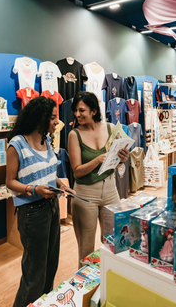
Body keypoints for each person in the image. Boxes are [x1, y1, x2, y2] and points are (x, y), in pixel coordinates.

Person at [6, 97, 75, 307]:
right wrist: (34, 189)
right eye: (53, 118)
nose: (57, 122)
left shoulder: (46, 140)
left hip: (51, 207)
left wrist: (60, 184)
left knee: (51, 264)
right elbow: (9, 182)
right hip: (32, 212)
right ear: (40, 118)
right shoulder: (17, 144)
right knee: (34, 272)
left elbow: (46, 171)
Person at [68, 91, 130, 264]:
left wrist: (122, 159)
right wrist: (97, 159)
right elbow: (77, 171)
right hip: (85, 195)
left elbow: (114, 163)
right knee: (86, 250)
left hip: (111, 190)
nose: (77, 114)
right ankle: (86, 288)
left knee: (114, 242)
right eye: (76, 111)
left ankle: (110, 279)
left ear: (93, 111)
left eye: (82, 110)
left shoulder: (111, 129)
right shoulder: (74, 134)